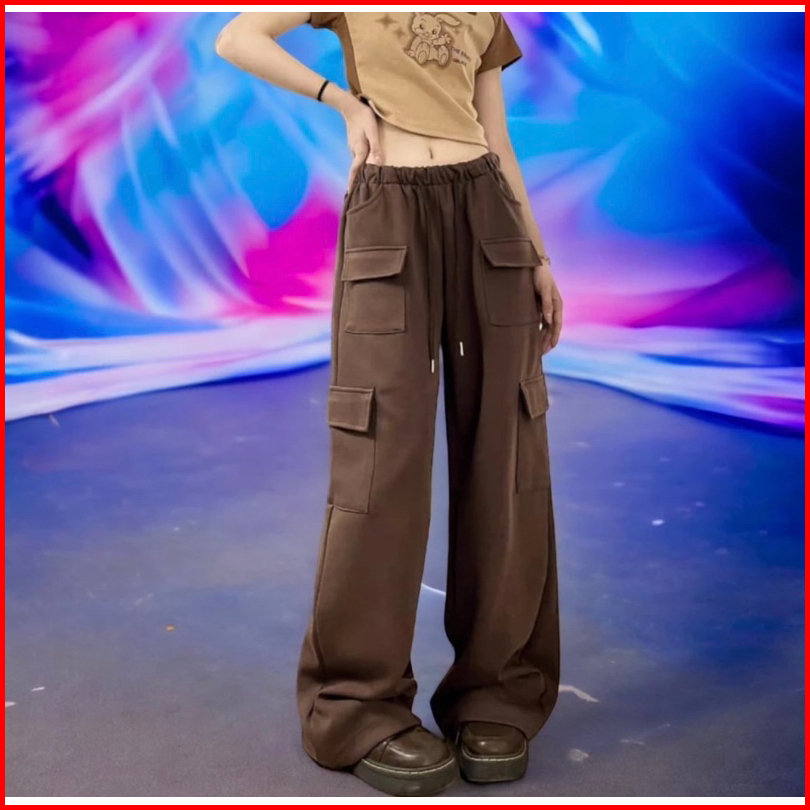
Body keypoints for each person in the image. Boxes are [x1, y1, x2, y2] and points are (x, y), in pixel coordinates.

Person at [215, 10, 564, 797]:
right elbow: (237, 37)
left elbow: (497, 139)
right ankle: (356, 705)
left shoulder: (483, 14)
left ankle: (496, 691)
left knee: (506, 449)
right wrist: (342, 100)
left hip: (488, 216)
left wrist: (540, 258)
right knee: (380, 458)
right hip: (391, 212)